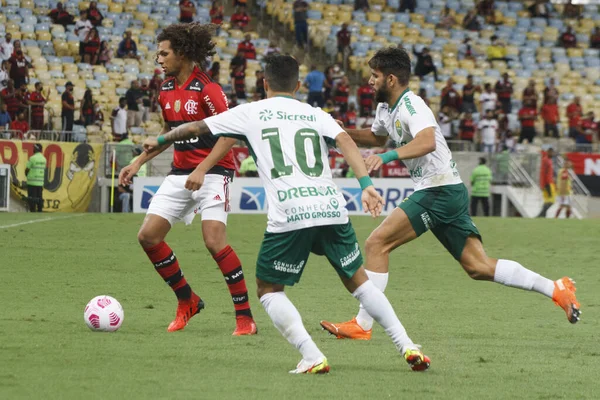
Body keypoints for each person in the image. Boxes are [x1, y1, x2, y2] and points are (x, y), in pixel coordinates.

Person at [142, 54, 431, 374]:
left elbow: (195, 127)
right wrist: (365, 185)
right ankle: (408, 345)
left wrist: (159, 139)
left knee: (268, 290)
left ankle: (311, 355)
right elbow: (346, 141)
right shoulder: (315, 113)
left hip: (290, 213)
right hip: (331, 208)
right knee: (361, 285)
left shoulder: (249, 112)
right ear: (298, 85)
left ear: (264, 83)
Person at [316, 47, 580, 345]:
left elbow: (427, 141)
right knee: (477, 267)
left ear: (391, 79)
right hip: (445, 190)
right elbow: (377, 137)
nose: (370, 81)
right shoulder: (385, 109)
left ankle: (363, 324)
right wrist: (341, 132)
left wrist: (386, 157)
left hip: (438, 189)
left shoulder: (412, 105)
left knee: (377, 243)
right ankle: (555, 288)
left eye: (375, 76)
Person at [118, 23, 257, 335]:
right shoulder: (166, 90)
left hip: (213, 172)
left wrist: (202, 169)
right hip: (181, 173)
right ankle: (187, 300)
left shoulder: (208, 89)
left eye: (164, 53)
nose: (159, 59)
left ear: (182, 53)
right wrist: (138, 162)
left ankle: (245, 318)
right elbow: (171, 135)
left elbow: (231, 134)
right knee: (148, 236)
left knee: (213, 241)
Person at [25, 143, 46, 212]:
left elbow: (27, 169)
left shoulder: (32, 158)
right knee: (39, 198)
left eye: (34, 148)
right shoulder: (44, 159)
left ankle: (33, 211)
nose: (33, 149)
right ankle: (40, 210)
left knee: (32, 199)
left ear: (36, 149)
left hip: (32, 182)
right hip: (40, 182)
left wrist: (26, 174)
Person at [538, 148, 555, 218]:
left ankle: (543, 215)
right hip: (547, 183)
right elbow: (544, 173)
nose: (552, 154)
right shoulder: (545, 160)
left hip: (549, 182)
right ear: (548, 152)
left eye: (553, 152)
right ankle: (541, 214)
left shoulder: (549, 160)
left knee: (547, 200)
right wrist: (545, 184)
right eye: (551, 152)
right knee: (551, 200)